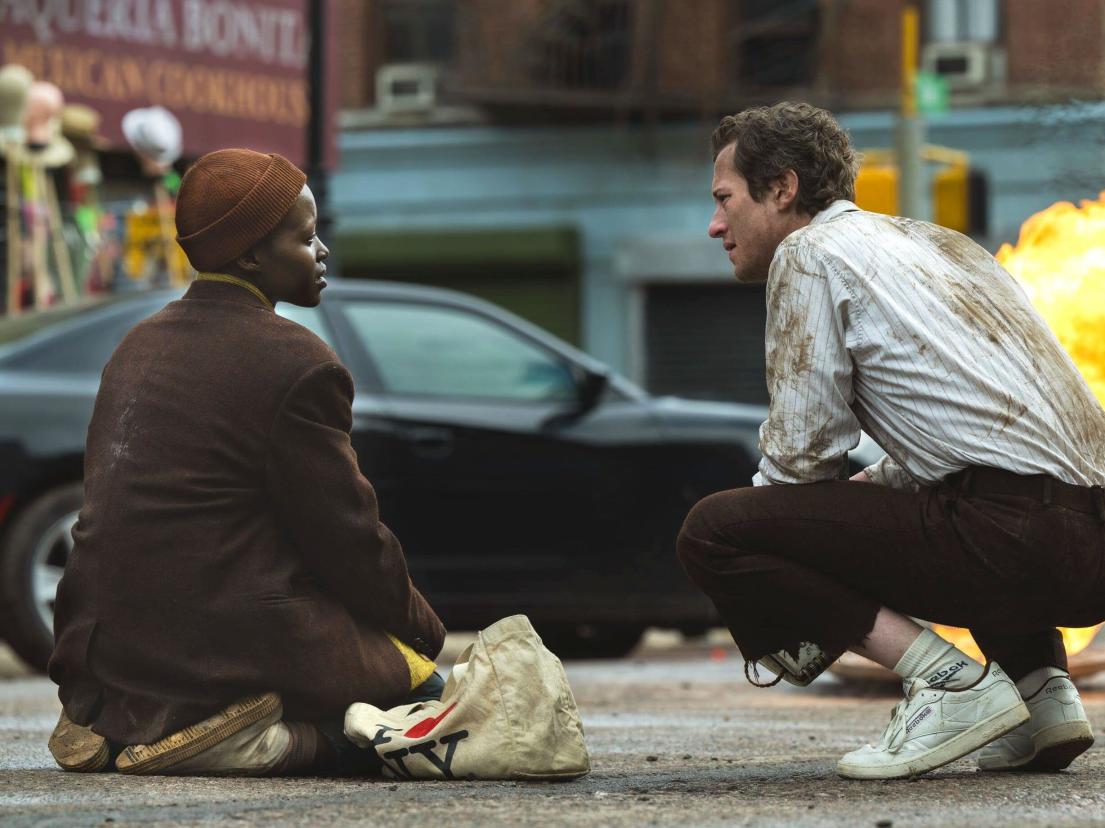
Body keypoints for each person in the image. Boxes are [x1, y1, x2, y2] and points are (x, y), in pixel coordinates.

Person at [677, 102, 1105, 780]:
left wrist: (773, 575)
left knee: (716, 531)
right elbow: (991, 434)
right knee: (931, 496)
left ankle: (949, 687)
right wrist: (861, 498)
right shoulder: (941, 246)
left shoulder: (810, 253)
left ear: (782, 188)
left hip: (1011, 540)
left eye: (724, 200)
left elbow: (800, 450)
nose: (714, 225)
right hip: (1088, 548)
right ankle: (1040, 697)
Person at [47, 148, 446, 777]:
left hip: (99, 645)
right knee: (429, 699)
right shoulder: (299, 362)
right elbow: (347, 538)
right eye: (307, 237)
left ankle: (112, 722)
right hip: (213, 640)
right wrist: (422, 629)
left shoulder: (137, 344)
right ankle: (247, 740)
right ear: (251, 256)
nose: (323, 254)